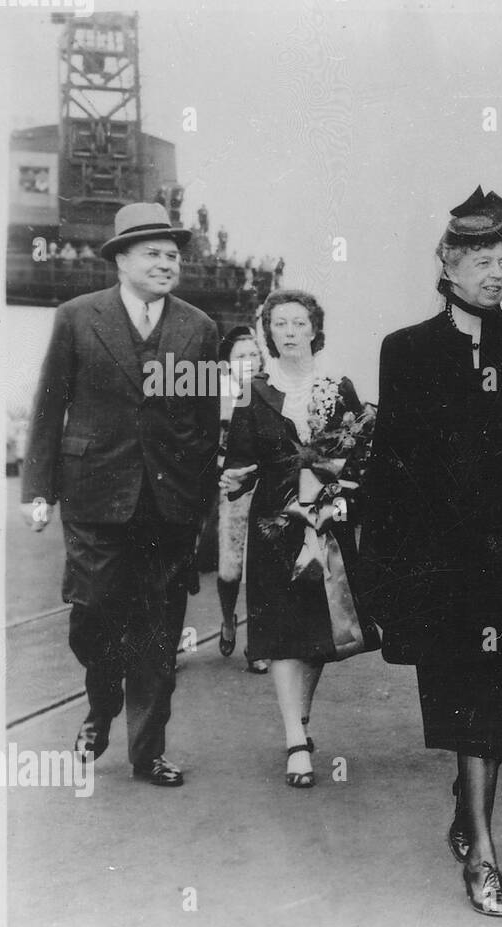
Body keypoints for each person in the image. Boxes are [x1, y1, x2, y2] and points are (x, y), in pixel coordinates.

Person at [358, 188, 502, 917]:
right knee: (467, 702)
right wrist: (379, 570)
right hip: (442, 565)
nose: (497, 273)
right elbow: (393, 464)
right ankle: (483, 854)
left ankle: (467, 819)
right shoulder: (407, 349)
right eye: (481, 260)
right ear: (447, 262)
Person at [20, 202, 219, 787]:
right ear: (122, 260)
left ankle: (147, 751)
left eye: (173, 256)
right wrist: (38, 490)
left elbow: (204, 422)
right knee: (93, 617)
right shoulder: (77, 318)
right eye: (153, 254)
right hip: (93, 497)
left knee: (159, 632)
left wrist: (200, 500)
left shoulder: (198, 328)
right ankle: (102, 700)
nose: (166, 264)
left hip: (169, 505)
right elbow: (49, 406)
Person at [221, 289, 379, 787]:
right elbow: (240, 465)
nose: (290, 332)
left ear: (315, 330)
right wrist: (232, 478)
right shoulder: (254, 393)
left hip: (326, 526)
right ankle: (295, 741)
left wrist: (342, 483)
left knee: (319, 635)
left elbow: (360, 460)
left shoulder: (339, 388)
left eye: (299, 323)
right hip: (275, 526)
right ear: (269, 333)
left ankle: (300, 722)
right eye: (280, 324)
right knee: (282, 633)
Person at [213, 326, 269, 674]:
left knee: (261, 567)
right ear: (228, 364)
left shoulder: (268, 391)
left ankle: (257, 644)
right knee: (230, 567)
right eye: (241, 356)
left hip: (264, 485)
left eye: (254, 354)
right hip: (227, 487)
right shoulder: (218, 394)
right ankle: (227, 618)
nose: (249, 361)